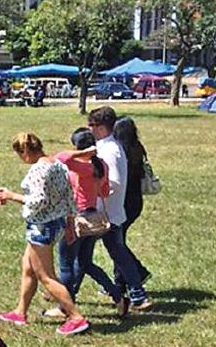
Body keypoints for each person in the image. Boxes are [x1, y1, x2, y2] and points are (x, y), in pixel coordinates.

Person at [0, 133, 89, 335]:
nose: (22, 159)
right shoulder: (57, 164)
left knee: (46, 276)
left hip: (41, 227)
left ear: (26, 151)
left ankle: (75, 317)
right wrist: (71, 221)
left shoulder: (39, 169)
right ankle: (20, 312)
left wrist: (11, 196)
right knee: (27, 267)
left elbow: (38, 201)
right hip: (56, 223)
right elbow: (69, 195)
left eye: (20, 154)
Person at [51, 129, 129, 318]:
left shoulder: (82, 166)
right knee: (85, 263)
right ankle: (118, 296)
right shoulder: (101, 165)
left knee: (66, 265)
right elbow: (105, 189)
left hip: (76, 219)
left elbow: (60, 157)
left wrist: (80, 154)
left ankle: (66, 308)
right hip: (93, 219)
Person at [89, 107, 152, 310]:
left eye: (91, 126)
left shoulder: (108, 150)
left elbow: (113, 182)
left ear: (100, 127)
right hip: (113, 211)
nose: (89, 130)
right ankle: (137, 295)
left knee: (77, 257)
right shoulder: (114, 147)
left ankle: (65, 299)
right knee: (119, 253)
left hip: (104, 212)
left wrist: (92, 191)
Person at [113, 117, 151, 292]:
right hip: (135, 201)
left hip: (123, 202)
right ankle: (121, 282)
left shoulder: (120, 151)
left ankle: (135, 273)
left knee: (116, 243)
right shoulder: (138, 148)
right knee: (118, 241)